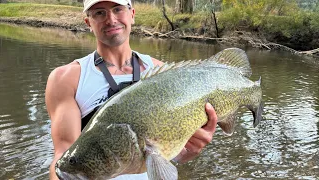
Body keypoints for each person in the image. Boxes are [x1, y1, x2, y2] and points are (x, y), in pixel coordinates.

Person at [45, 0, 218, 179]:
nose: (111, 20)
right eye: (99, 13)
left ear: (132, 14)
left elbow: (172, 155)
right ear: (88, 22)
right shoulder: (65, 79)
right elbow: (64, 155)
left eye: (117, 9)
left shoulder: (163, 74)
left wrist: (187, 151)